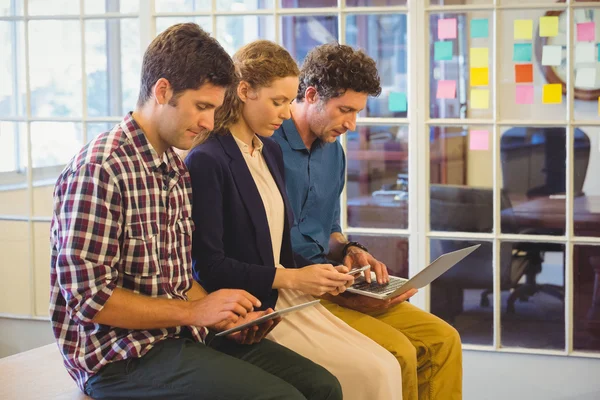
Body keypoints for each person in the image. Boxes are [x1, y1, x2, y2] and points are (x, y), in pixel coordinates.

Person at [49, 24, 342, 400]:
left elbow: (177, 279)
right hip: (118, 357)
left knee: (322, 386)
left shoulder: (173, 166)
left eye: (215, 109)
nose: (208, 122)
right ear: (162, 91)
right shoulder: (99, 170)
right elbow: (90, 300)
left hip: (180, 336)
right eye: (202, 107)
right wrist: (195, 313)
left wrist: (224, 318)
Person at [186, 40, 403, 400]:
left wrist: (329, 272)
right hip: (255, 306)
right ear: (243, 91)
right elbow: (207, 266)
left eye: (289, 102)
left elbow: (280, 245)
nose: (287, 113)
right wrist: (298, 277)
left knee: (384, 366)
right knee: (373, 370)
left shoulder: (269, 151)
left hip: (288, 295)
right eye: (279, 102)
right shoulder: (207, 159)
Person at [272, 43, 464, 400]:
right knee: (400, 353)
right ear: (311, 95)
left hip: (337, 281)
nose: (351, 123)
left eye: (358, 112)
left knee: (444, 339)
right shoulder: (267, 147)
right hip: (298, 290)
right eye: (344, 110)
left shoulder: (334, 154)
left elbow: (328, 229)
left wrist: (351, 250)